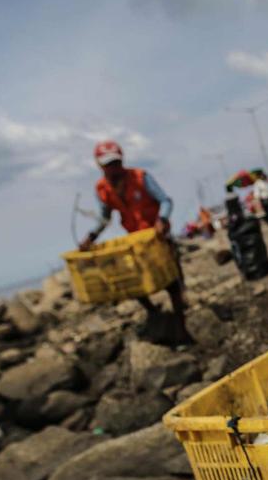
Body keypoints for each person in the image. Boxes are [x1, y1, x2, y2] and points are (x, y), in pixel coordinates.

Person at [79, 141, 192, 344]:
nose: (113, 168)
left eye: (116, 162)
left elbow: (165, 201)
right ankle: (154, 312)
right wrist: (91, 237)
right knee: (132, 282)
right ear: (99, 165)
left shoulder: (140, 177)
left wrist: (162, 220)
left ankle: (181, 322)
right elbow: (105, 218)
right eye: (108, 164)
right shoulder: (102, 189)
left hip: (155, 236)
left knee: (171, 281)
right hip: (135, 240)